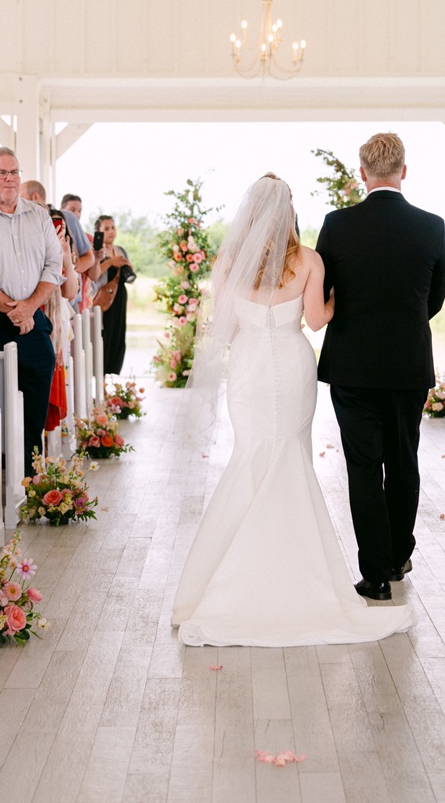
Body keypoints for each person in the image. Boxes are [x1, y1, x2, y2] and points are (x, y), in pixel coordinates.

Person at [171, 174, 417, 646]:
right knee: (289, 454)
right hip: (292, 359)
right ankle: (294, 568)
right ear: (289, 211)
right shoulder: (308, 259)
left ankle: (226, 576)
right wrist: (334, 297)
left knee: (251, 454)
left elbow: (225, 331)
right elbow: (317, 320)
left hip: (249, 369)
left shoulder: (228, 263)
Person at [315, 133, 445, 601]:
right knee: (403, 459)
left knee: (363, 467)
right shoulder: (432, 226)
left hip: (352, 366)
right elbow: (434, 299)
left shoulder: (337, 224)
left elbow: (325, 292)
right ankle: (397, 557)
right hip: (407, 363)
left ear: (362, 174)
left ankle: (374, 574)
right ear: (403, 171)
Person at [0, 147, 65, 471]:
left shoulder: (38, 214)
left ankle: (30, 464)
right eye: (1, 173)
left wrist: (29, 307)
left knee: (40, 372)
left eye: (14, 172)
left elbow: (54, 264)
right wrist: (13, 309)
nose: (9, 179)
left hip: (32, 315)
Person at [88, 214, 136, 375]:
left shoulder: (121, 250)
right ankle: (100, 382)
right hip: (103, 301)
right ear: (98, 232)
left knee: (118, 338)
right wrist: (110, 262)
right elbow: (93, 275)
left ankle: (113, 380)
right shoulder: (96, 251)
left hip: (119, 299)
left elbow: (130, 279)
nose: (111, 232)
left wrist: (128, 267)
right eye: (106, 229)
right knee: (104, 339)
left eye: (113, 227)